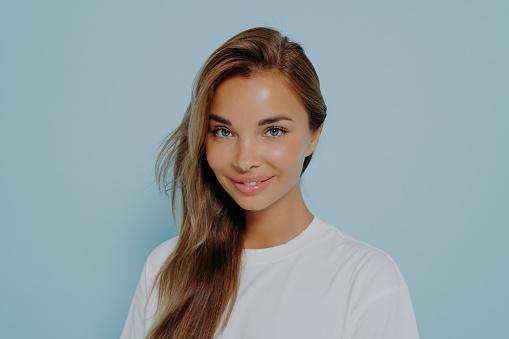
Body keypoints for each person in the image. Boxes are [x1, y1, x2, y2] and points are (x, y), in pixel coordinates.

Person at [120, 27, 419, 339]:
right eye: (224, 131)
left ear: (313, 135)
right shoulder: (166, 267)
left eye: (273, 130)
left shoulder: (365, 280)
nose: (244, 160)